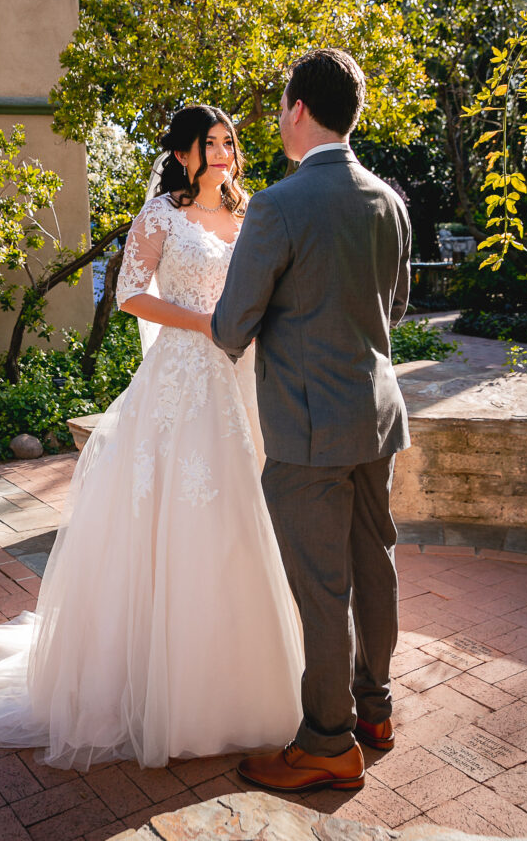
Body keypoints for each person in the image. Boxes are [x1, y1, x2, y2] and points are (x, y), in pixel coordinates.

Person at [0, 105, 304, 769]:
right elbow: (131, 295)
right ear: (182, 155)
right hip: (183, 380)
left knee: (248, 518)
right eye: (210, 143)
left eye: (229, 141)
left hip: (247, 380)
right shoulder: (160, 218)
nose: (224, 153)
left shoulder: (252, 212)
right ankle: (166, 686)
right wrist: (207, 323)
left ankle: (250, 670)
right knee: (187, 518)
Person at [212, 48, 411, 793]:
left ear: (297, 109)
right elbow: (390, 311)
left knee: (321, 587)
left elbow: (233, 326)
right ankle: (376, 711)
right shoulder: (387, 200)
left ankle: (326, 742)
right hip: (376, 415)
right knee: (374, 565)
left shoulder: (276, 205)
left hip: (306, 430)